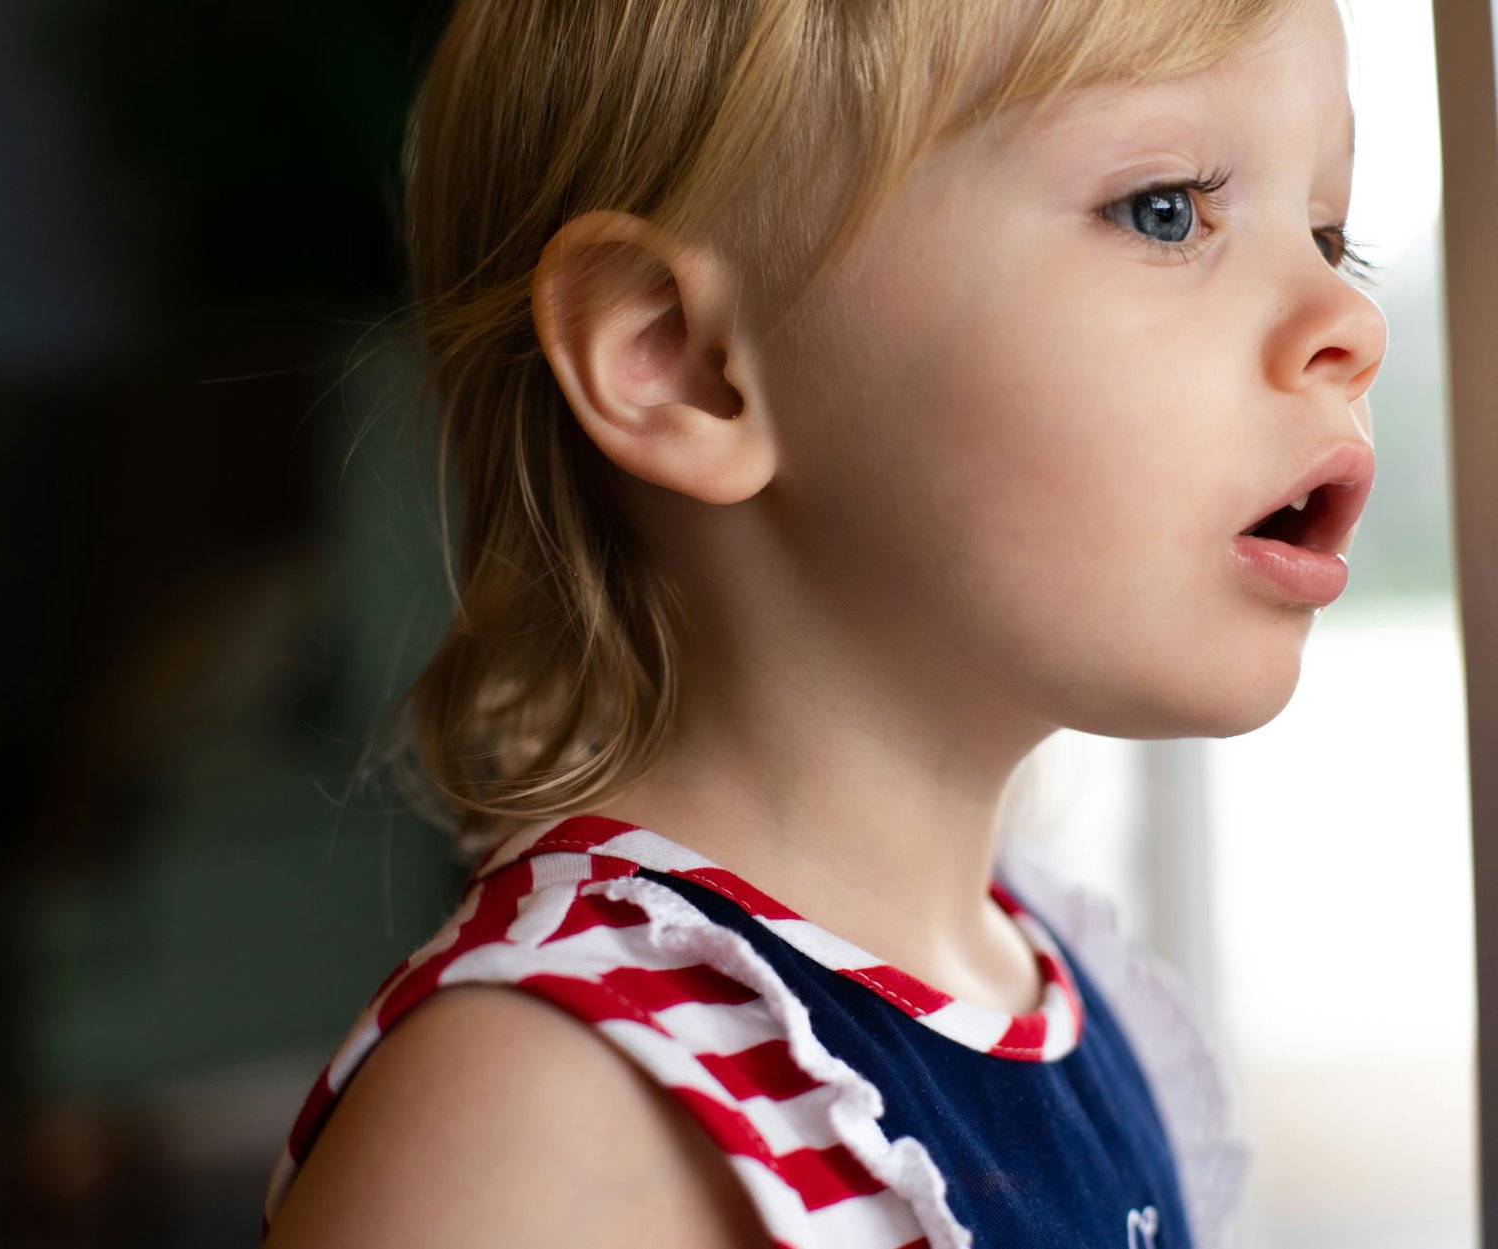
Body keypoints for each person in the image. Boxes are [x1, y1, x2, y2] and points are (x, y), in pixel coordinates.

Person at [262, 0, 1385, 1244]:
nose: (1351, 325)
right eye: (1164, 208)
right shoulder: (550, 1119)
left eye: (1333, 237)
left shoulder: (1073, 991)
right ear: (686, 359)